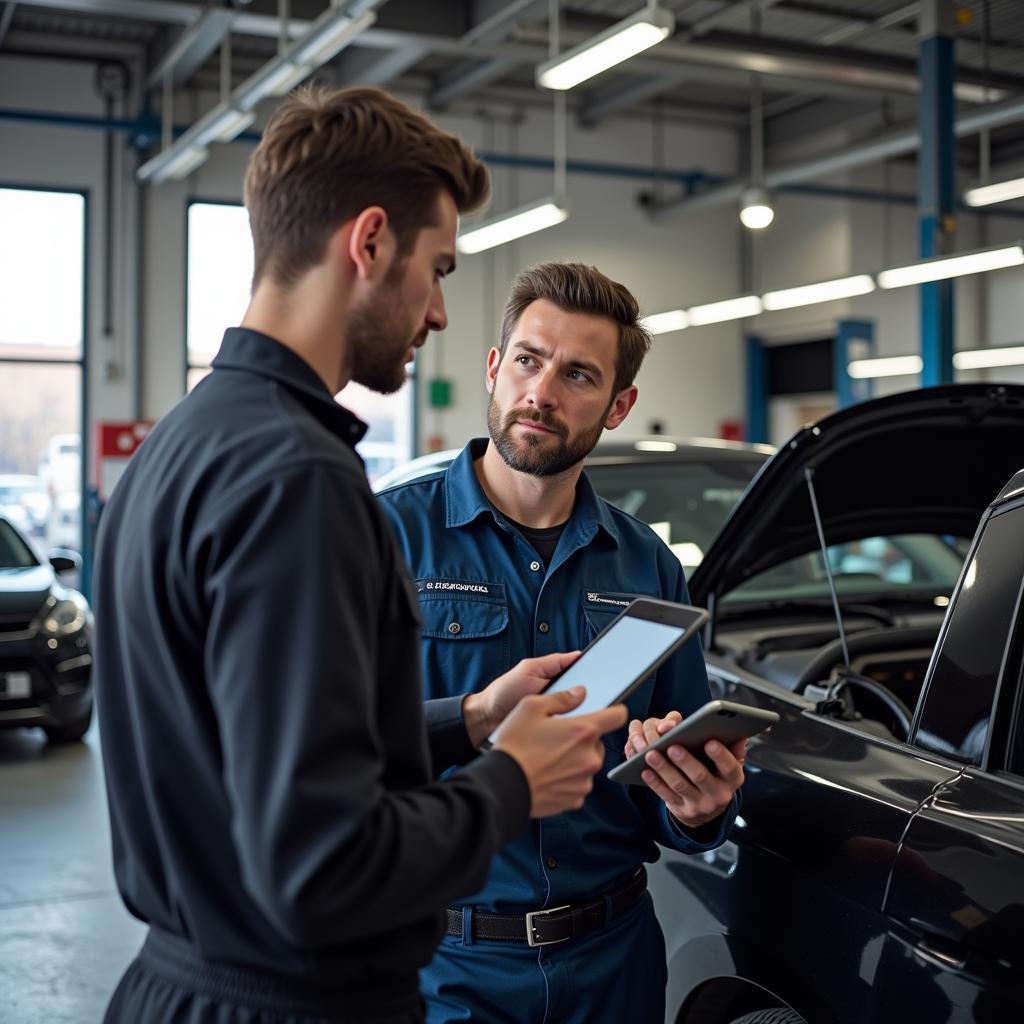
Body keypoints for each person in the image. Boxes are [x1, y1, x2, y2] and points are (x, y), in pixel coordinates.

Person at [92, 88, 626, 1024]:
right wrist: (512, 781)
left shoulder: (185, 444)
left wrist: (470, 720)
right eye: (438, 269)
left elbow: (259, 763)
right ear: (370, 243)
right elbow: (322, 865)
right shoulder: (299, 480)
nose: (440, 315)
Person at [378, 262, 747, 1024]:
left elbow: (666, 790)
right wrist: (473, 717)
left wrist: (698, 809)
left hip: (613, 969)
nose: (542, 393)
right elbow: (329, 758)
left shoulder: (648, 566)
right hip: (441, 971)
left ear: (619, 406)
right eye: (527, 359)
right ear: (494, 367)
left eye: (578, 374)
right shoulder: (386, 540)